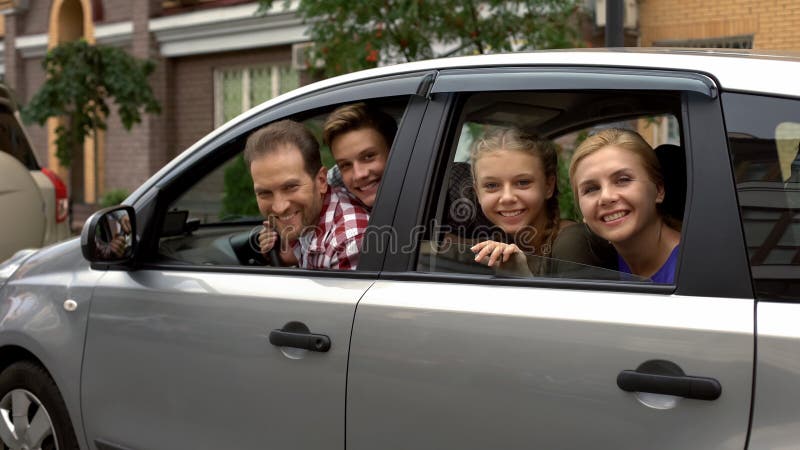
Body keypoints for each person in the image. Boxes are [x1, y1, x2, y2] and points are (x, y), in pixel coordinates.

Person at [245, 119, 370, 270]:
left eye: (290, 187)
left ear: (322, 181)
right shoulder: (312, 215)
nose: (279, 207)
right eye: (265, 193)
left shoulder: (349, 241)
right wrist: (288, 255)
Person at [569, 128, 681, 283]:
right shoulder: (600, 263)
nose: (606, 197)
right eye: (591, 189)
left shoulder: (693, 269)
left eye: (623, 180)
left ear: (659, 190)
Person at [467, 127, 577, 275]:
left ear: (548, 186)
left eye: (523, 182)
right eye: (492, 185)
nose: (507, 197)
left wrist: (522, 276)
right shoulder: (494, 245)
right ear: (478, 193)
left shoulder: (572, 242)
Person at [322, 103, 397, 210]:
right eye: (345, 165)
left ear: (394, 149)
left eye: (368, 156)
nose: (359, 174)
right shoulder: (337, 183)